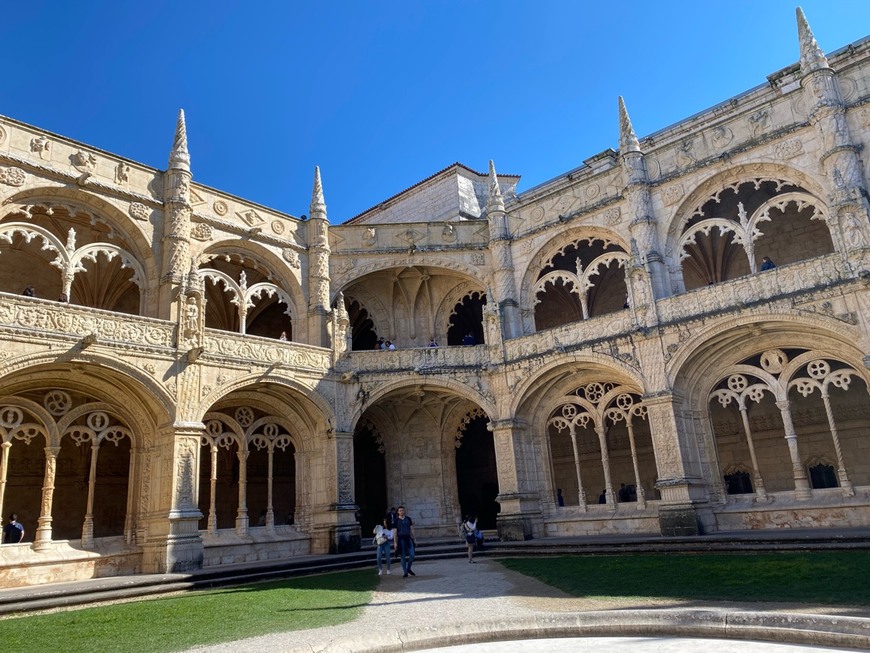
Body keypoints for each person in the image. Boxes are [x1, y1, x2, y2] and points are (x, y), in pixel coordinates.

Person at [393, 505, 416, 578]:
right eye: (400, 511)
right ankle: (405, 572)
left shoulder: (408, 519)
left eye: (402, 510)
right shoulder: (396, 520)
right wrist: (395, 542)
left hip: (408, 538)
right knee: (403, 555)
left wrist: (414, 539)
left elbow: (411, 529)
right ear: (398, 512)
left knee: (412, 555)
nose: (401, 512)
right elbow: (395, 532)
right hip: (400, 539)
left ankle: (408, 568)